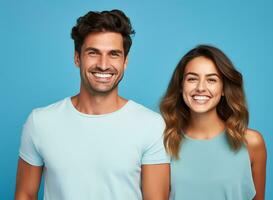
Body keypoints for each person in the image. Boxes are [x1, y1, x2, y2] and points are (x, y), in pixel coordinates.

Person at [15, 10, 170, 200]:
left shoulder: (151, 126)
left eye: (113, 54)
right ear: (77, 58)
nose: (103, 65)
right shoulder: (40, 122)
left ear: (125, 62)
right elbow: (25, 194)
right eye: (93, 53)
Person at [160, 45, 267, 200]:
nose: (201, 88)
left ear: (223, 89)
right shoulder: (164, 142)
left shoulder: (252, 143)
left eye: (211, 80)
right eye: (192, 79)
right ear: (181, 86)